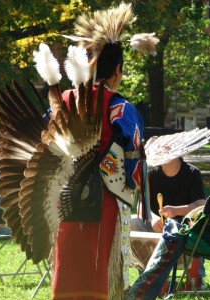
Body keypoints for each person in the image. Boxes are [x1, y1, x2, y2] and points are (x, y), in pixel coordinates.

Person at [50, 4, 159, 300]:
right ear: (118, 70)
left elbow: (48, 144)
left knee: (70, 266)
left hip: (67, 200)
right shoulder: (120, 107)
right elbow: (134, 163)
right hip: (105, 203)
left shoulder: (64, 100)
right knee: (100, 271)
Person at [131, 156, 206, 287]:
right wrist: (153, 219)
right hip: (155, 231)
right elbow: (143, 204)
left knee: (199, 226)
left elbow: (201, 205)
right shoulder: (150, 174)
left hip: (183, 231)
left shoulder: (192, 173)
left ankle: (196, 277)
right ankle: (145, 273)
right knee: (133, 222)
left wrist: (176, 211)